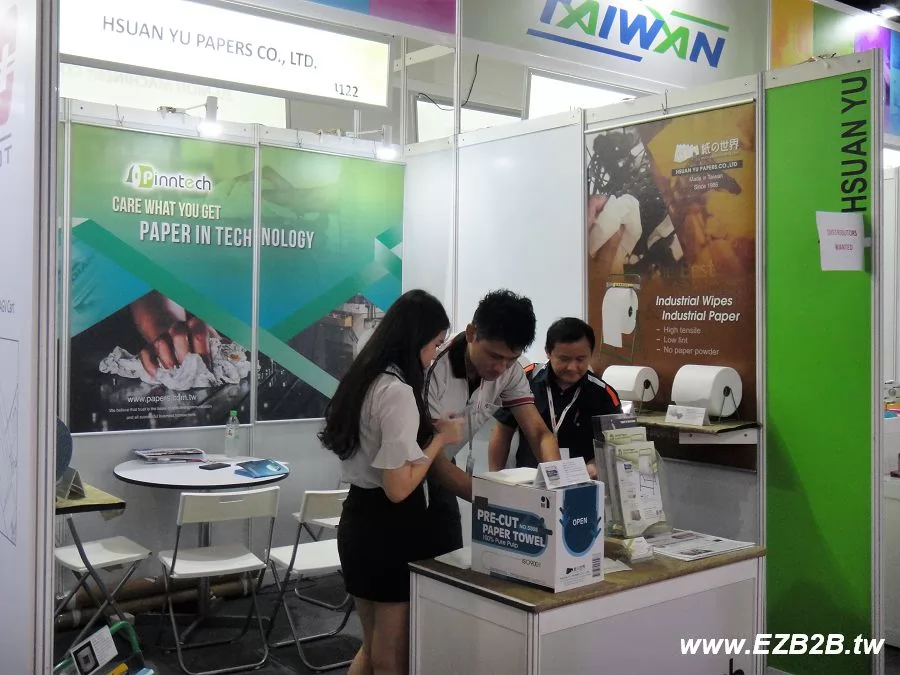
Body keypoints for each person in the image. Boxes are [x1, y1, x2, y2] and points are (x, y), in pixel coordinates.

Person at [319, 289, 464, 675]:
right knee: (390, 657)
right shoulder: (398, 392)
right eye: (435, 345)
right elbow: (398, 489)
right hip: (390, 530)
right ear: (416, 340)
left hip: (358, 521)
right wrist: (440, 440)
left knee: (370, 648)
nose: (434, 356)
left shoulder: (363, 380)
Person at [423, 289, 560, 557]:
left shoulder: (511, 371)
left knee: (448, 558)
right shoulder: (434, 370)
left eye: (511, 359)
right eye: (495, 356)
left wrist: (558, 483)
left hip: (444, 462)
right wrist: (496, 500)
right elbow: (431, 459)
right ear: (471, 333)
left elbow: (538, 432)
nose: (501, 368)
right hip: (412, 465)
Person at [488, 317, 622, 476]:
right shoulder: (525, 380)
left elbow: (616, 445)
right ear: (548, 352)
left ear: (591, 354)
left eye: (580, 359)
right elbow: (503, 432)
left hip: (581, 481)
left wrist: (596, 465)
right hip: (528, 480)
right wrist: (495, 476)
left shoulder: (603, 394)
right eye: (564, 359)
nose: (572, 367)